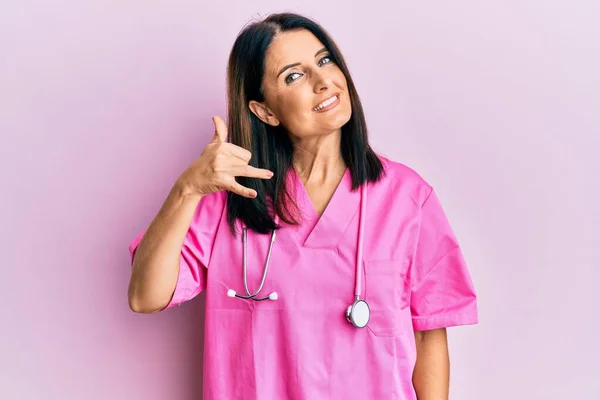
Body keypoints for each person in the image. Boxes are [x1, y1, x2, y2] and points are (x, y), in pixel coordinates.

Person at [127, 12, 478, 400]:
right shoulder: (233, 194)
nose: (323, 80)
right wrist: (187, 189)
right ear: (265, 111)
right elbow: (146, 295)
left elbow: (429, 335)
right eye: (294, 76)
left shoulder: (408, 197)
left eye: (325, 60)